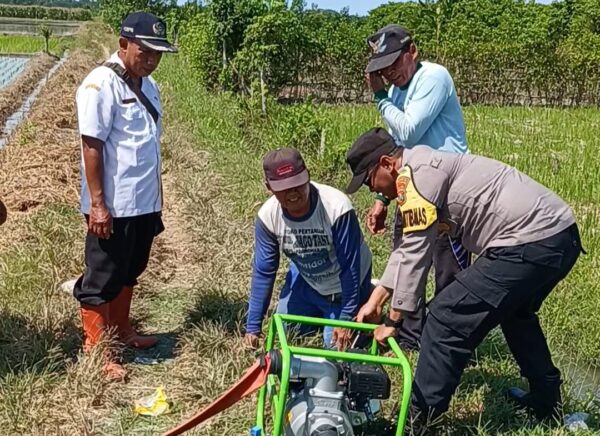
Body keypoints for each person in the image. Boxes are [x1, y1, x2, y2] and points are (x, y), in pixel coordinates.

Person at [347, 128, 582, 430]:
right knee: (516, 313)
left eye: (369, 181)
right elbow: (410, 247)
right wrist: (376, 299)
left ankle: (420, 420)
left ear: (386, 164)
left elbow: (417, 255)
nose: (373, 190)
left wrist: (393, 321)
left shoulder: (415, 179)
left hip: (531, 240)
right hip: (559, 236)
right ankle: (546, 404)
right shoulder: (416, 170)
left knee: (445, 318)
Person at [73, 11, 177, 380]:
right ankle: (97, 349)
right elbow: (92, 146)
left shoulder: (150, 86)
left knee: (131, 268)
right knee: (102, 276)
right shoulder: (100, 84)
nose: (151, 60)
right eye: (144, 51)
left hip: (144, 201)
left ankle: (121, 332)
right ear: (123, 45)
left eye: (157, 54)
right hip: (113, 204)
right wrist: (98, 204)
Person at [364, 24, 470, 350]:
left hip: (448, 193)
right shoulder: (397, 91)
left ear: (413, 52)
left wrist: (379, 95)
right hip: (413, 187)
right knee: (406, 263)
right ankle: (409, 338)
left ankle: (454, 343)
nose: (390, 73)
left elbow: (408, 131)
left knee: (449, 272)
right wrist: (383, 198)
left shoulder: (433, 78)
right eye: (383, 68)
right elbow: (398, 149)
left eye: (395, 63)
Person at [244, 148, 373, 350]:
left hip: (345, 285)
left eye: (297, 184)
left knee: (336, 350)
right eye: (284, 188)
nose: (293, 192)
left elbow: (350, 268)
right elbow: (264, 271)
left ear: (307, 177)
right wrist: (253, 328)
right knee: (284, 331)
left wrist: (346, 318)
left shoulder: (336, 208)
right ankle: (315, 309)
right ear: (269, 187)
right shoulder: (268, 217)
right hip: (308, 281)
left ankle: (369, 299)